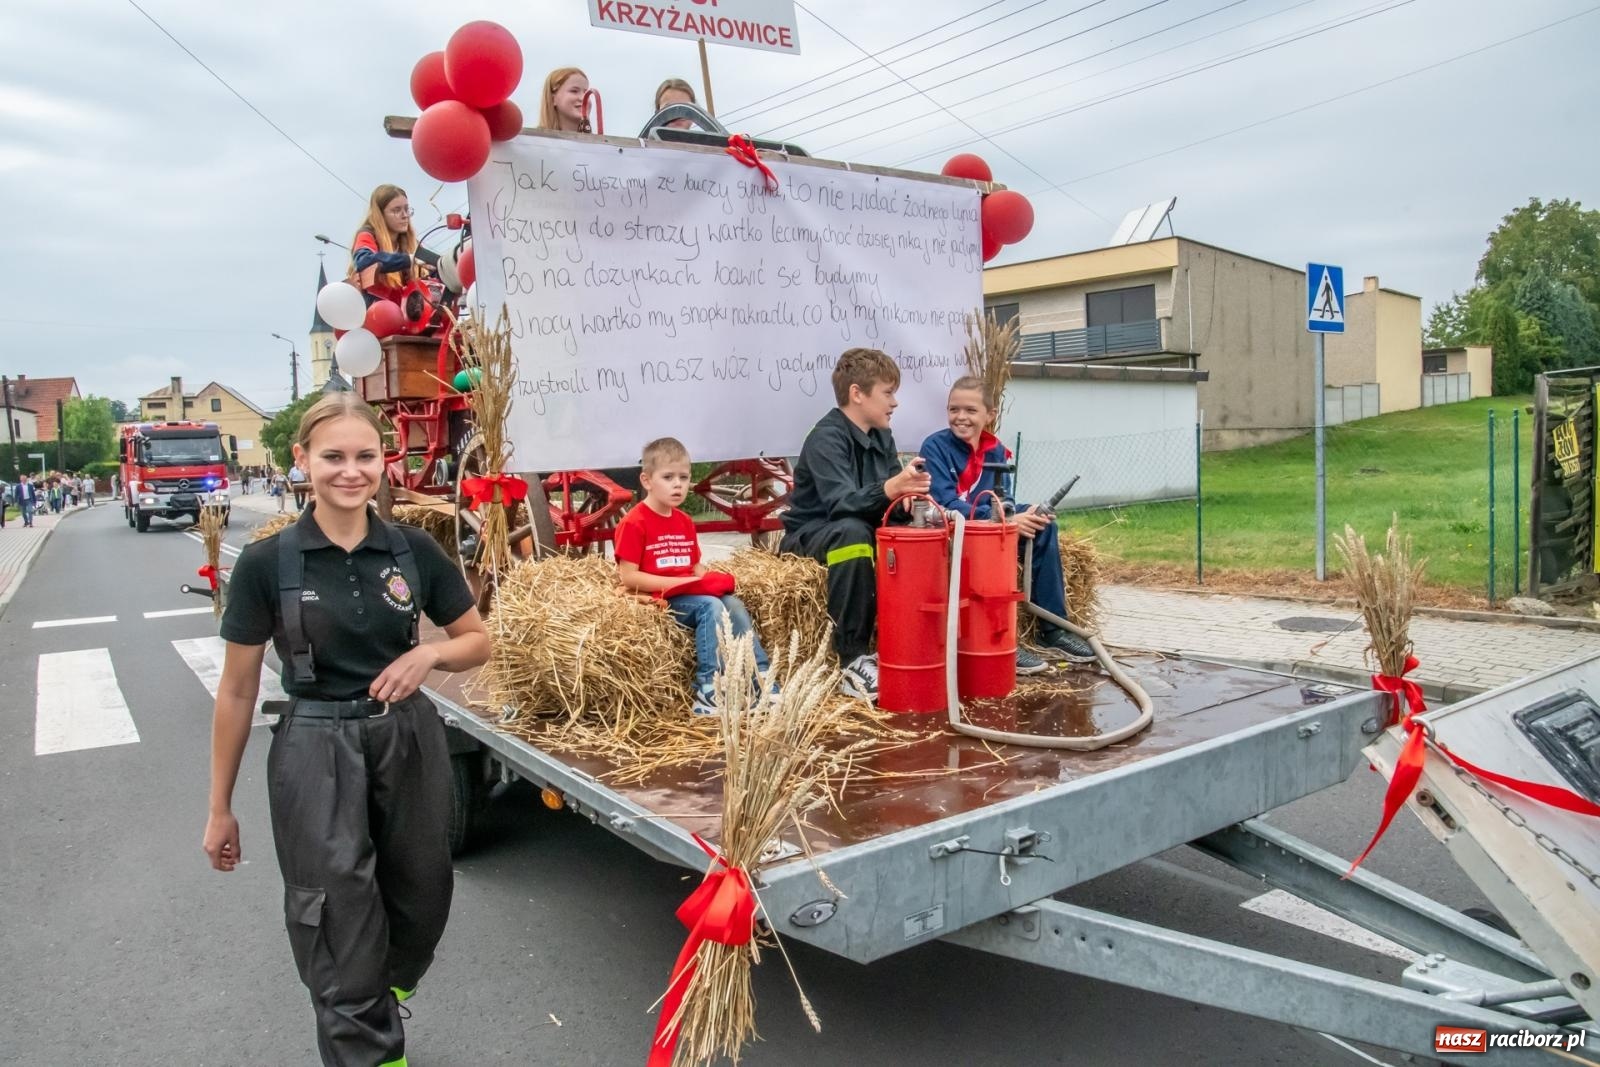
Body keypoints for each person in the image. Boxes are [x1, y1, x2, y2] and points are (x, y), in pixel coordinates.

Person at [203, 393, 490, 1067]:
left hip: (406, 739)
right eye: (333, 456)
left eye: (365, 455)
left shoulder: (413, 549)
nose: (350, 471)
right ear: (301, 460)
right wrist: (219, 807)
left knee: (423, 895)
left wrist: (429, 653)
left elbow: (476, 641)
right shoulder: (265, 565)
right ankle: (366, 1040)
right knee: (337, 914)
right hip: (315, 748)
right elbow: (239, 687)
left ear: (384, 461)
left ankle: (375, 991)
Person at [780, 348, 930, 703]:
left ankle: (912, 643)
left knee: (919, 532)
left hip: (856, 525)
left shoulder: (882, 435)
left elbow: (880, 501)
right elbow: (840, 504)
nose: (895, 402)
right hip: (812, 534)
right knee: (853, 533)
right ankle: (853, 660)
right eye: (888, 392)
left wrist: (906, 503)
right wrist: (892, 487)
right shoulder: (825, 438)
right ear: (857, 394)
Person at [920, 378, 1097, 666]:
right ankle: (998, 641)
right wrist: (1007, 520)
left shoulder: (996, 451)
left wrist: (1023, 516)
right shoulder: (935, 446)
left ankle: (1051, 631)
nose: (960, 417)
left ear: (990, 414)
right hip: (955, 537)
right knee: (993, 542)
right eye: (954, 409)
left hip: (991, 526)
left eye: (970, 410)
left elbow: (1007, 500)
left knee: (1044, 523)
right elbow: (946, 505)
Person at [614, 437, 771, 716]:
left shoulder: (685, 522)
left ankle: (761, 678)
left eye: (684, 477)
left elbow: (695, 567)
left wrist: (711, 580)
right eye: (668, 477)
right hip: (656, 598)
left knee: (731, 602)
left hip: (686, 591)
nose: (678, 484)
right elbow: (628, 577)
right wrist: (680, 584)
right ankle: (708, 688)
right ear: (647, 481)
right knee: (709, 606)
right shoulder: (634, 522)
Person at [348, 184, 426, 305]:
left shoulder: (412, 243)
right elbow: (364, 261)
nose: (405, 215)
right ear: (381, 215)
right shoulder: (367, 235)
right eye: (396, 210)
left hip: (407, 315)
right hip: (374, 314)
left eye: (406, 209)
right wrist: (410, 259)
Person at [538, 67, 591, 133]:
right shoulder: (533, 140)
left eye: (586, 92)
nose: (583, 98)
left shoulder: (598, 142)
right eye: (574, 91)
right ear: (553, 99)